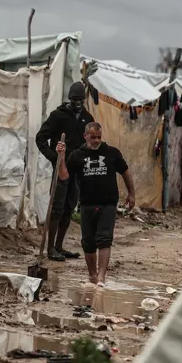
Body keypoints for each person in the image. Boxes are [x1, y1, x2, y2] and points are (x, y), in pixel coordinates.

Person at [56, 122, 135, 286]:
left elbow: (125, 171)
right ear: (85, 136)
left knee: (104, 239)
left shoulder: (111, 153)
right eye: (93, 137)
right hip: (87, 204)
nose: (97, 140)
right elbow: (64, 176)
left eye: (99, 137)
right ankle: (92, 275)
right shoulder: (77, 155)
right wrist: (61, 157)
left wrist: (131, 193)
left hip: (108, 203)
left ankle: (101, 277)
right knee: (88, 242)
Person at [35, 81, 95, 262]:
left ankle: (59, 246)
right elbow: (40, 138)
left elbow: (92, 142)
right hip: (61, 167)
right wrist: (54, 157)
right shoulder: (58, 116)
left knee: (69, 207)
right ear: (69, 99)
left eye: (80, 100)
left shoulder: (87, 118)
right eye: (74, 100)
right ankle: (50, 248)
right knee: (57, 208)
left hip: (77, 170)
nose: (78, 103)